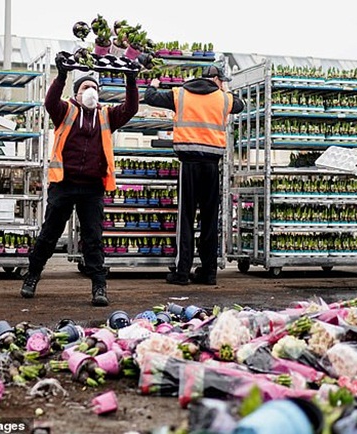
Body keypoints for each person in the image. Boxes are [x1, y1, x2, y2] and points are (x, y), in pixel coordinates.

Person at [20, 52, 139, 306]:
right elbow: (50, 102)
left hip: (93, 188)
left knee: (93, 238)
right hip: (64, 184)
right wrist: (61, 75)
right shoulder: (66, 111)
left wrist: (131, 81)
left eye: (94, 88)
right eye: (86, 87)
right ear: (76, 93)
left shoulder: (106, 115)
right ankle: (32, 276)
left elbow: (131, 109)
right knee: (49, 235)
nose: (91, 91)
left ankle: (99, 286)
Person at [144, 65, 244, 285]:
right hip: (211, 165)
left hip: (188, 164)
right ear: (217, 79)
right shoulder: (223, 99)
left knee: (186, 218)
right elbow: (240, 105)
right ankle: (208, 273)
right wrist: (225, 89)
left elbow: (150, 97)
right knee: (210, 220)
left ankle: (182, 272)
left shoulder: (180, 94)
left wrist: (153, 83)